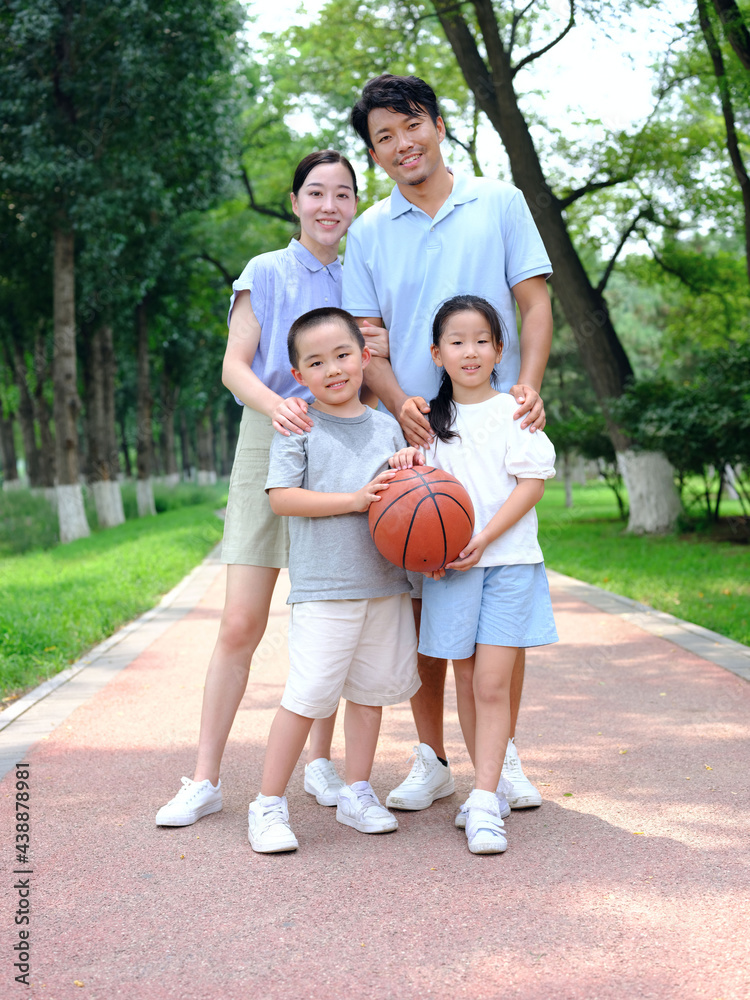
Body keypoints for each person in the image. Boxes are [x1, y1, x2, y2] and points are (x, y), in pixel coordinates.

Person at [342, 74, 553, 813]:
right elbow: (368, 343)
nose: (402, 146)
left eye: (410, 127)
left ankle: (506, 756)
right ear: (374, 154)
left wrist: (527, 384)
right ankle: (430, 757)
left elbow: (533, 301)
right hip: (414, 438)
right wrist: (401, 405)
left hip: (492, 422)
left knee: (498, 585)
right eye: (384, 139)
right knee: (421, 594)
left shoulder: (497, 202)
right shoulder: (368, 231)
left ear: (436, 122)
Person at [156, 151, 380, 827]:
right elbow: (234, 364)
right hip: (272, 438)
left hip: (344, 444)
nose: (330, 205)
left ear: (353, 205)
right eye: (317, 192)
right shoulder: (266, 270)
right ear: (294, 201)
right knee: (241, 622)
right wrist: (277, 407)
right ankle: (205, 778)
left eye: (343, 194)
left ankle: (320, 761)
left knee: (331, 614)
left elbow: (371, 360)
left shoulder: (361, 275)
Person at [247, 306, 420, 853]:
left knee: (370, 697)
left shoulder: (387, 427)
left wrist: (410, 464)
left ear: (365, 358)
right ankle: (268, 805)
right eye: (316, 362)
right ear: (299, 375)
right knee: (308, 696)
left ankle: (357, 791)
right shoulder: (298, 425)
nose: (334, 369)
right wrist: (353, 499)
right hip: (325, 589)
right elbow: (281, 498)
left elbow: (408, 497)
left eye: (343, 355)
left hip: (385, 583)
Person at [392, 295, 557, 853]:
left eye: (482, 340)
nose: (470, 351)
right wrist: (404, 469)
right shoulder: (430, 426)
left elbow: (531, 485)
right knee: (465, 680)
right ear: (437, 354)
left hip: (508, 564)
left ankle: (485, 801)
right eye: (457, 342)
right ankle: (481, 786)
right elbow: (416, 498)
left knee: (491, 683)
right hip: (453, 572)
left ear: (499, 350)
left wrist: (483, 536)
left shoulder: (516, 411)